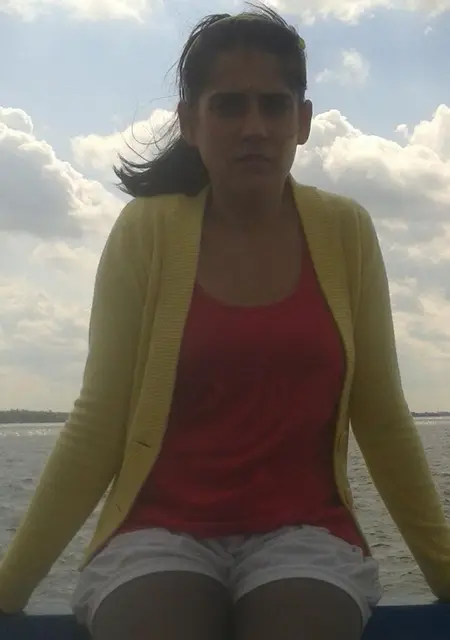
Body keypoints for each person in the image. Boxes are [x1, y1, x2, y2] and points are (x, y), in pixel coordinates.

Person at [0, 5, 449, 640]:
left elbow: (383, 417)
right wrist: (9, 588)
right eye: (229, 106)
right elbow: (99, 422)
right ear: (190, 122)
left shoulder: (346, 231)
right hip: (157, 533)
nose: (254, 127)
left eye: (274, 105)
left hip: (306, 535)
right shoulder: (146, 232)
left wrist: (444, 572)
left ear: (303, 121)